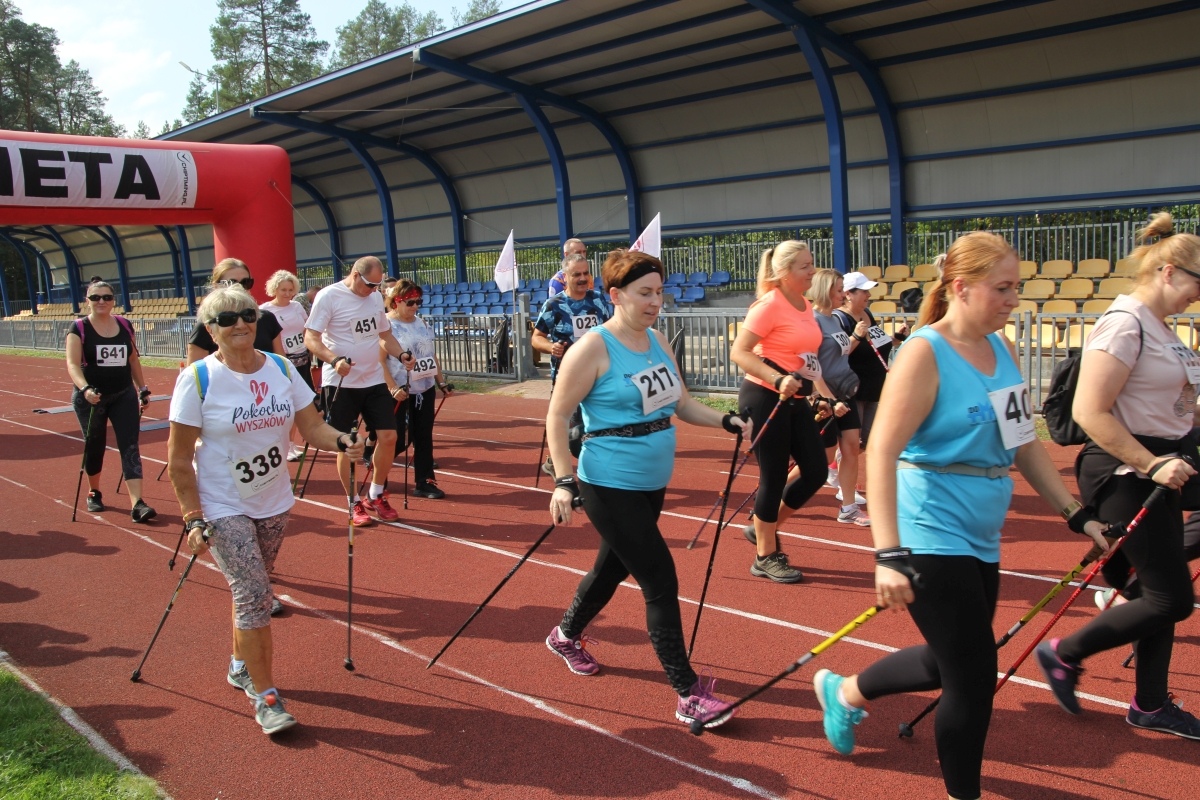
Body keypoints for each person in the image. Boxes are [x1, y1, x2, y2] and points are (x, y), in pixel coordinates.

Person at [811, 232, 1111, 800]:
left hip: (982, 531)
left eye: (1016, 287)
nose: (1013, 300)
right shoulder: (925, 352)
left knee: (952, 656)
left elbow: (1024, 443)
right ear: (960, 287)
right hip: (929, 527)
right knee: (973, 679)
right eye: (1002, 288)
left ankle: (846, 692)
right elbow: (881, 451)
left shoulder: (1004, 350)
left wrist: (1078, 515)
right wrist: (889, 554)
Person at [544, 248, 748, 729]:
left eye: (659, 292)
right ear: (616, 296)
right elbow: (556, 414)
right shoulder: (592, 348)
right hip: (607, 481)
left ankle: (564, 634)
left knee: (611, 568)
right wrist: (561, 480)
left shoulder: (658, 341)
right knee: (659, 579)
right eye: (645, 293)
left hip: (652, 482)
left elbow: (680, 404)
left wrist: (725, 419)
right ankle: (686, 692)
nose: (656, 301)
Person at [168, 284, 363, 736]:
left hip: (274, 499)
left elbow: (312, 427)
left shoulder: (278, 367)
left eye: (248, 315)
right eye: (227, 318)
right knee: (253, 594)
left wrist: (344, 441)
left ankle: (239, 665)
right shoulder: (197, 379)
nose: (240, 323)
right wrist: (192, 517)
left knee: (254, 589)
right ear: (211, 329)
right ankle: (266, 696)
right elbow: (178, 460)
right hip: (221, 503)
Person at [1036, 212, 1200, 740]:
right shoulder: (1125, 321)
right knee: (1170, 599)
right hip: (1128, 470)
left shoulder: (1162, 328)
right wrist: (1153, 462)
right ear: (1170, 271)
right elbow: (1090, 409)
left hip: (1163, 466)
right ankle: (1064, 652)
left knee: (1154, 594)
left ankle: (1150, 704)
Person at [729, 241, 831, 584]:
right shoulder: (768, 306)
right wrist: (776, 377)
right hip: (764, 396)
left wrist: (814, 391)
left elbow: (804, 356)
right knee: (772, 477)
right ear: (785, 272)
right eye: (805, 266)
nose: (812, 271)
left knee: (816, 470)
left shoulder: (804, 304)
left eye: (812, 264)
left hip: (796, 398)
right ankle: (765, 556)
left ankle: (763, 530)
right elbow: (739, 352)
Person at [304, 256, 414, 526]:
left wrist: (401, 355)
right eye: (369, 284)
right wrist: (333, 359)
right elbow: (311, 337)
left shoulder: (375, 298)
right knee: (349, 444)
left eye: (378, 285)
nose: (373, 290)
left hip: (373, 380)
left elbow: (384, 334)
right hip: (341, 382)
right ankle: (353, 501)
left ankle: (375, 494)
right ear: (355, 275)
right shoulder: (329, 297)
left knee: (389, 437)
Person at [65, 279, 156, 523]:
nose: (102, 301)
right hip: (91, 398)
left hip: (123, 393)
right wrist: (84, 389)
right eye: (96, 298)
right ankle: (94, 491)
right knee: (95, 444)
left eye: (106, 297)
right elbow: (72, 363)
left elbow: (133, 360)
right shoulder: (79, 328)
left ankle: (138, 503)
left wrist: (143, 388)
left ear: (114, 300)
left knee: (130, 444)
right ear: (88, 301)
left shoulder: (125, 325)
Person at [533, 252, 612, 476]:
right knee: (571, 427)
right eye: (576, 274)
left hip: (598, 376)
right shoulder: (554, 305)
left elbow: (610, 331)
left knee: (596, 425)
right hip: (567, 378)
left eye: (586, 273)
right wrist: (551, 347)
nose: (582, 278)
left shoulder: (597, 300)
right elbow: (536, 338)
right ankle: (556, 463)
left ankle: (595, 471)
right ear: (565, 277)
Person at [834, 271, 909, 503]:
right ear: (848, 294)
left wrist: (896, 338)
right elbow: (838, 354)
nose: (868, 295)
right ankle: (844, 488)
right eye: (864, 291)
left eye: (868, 290)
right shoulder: (840, 319)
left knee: (865, 441)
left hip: (875, 387)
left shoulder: (866, 314)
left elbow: (879, 344)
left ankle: (838, 469)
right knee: (852, 444)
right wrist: (855, 337)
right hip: (853, 390)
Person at [808, 269, 868, 526]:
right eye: (839, 289)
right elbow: (810, 366)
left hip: (846, 392)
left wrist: (855, 337)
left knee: (852, 447)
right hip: (827, 397)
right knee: (823, 460)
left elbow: (842, 354)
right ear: (825, 290)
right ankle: (774, 492)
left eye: (844, 288)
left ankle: (848, 507)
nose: (843, 294)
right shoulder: (812, 321)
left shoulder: (835, 320)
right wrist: (828, 399)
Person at [381, 280, 452, 500]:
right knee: (398, 438)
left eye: (418, 302)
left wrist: (441, 382)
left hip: (424, 387)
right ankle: (379, 475)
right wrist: (392, 388)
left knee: (423, 435)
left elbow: (431, 355)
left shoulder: (421, 323)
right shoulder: (385, 325)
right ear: (396, 302)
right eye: (410, 302)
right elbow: (379, 362)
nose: (415, 307)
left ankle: (425, 481)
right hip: (398, 389)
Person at [187, 258, 284, 365]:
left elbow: (281, 364)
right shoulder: (208, 324)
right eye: (231, 283)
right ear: (216, 286)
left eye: (246, 282)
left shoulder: (266, 318)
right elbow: (194, 374)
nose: (239, 288)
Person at [261, 270, 313, 461]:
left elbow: (306, 328)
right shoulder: (266, 310)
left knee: (299, 402)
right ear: (275, 289)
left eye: (290, 290)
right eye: (283, 289)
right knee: (284, 404)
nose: (287, 293)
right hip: (281, 362)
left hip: (303, 359)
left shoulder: (297, 306)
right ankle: (280, 444)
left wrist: (311, 352)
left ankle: (291, 443)